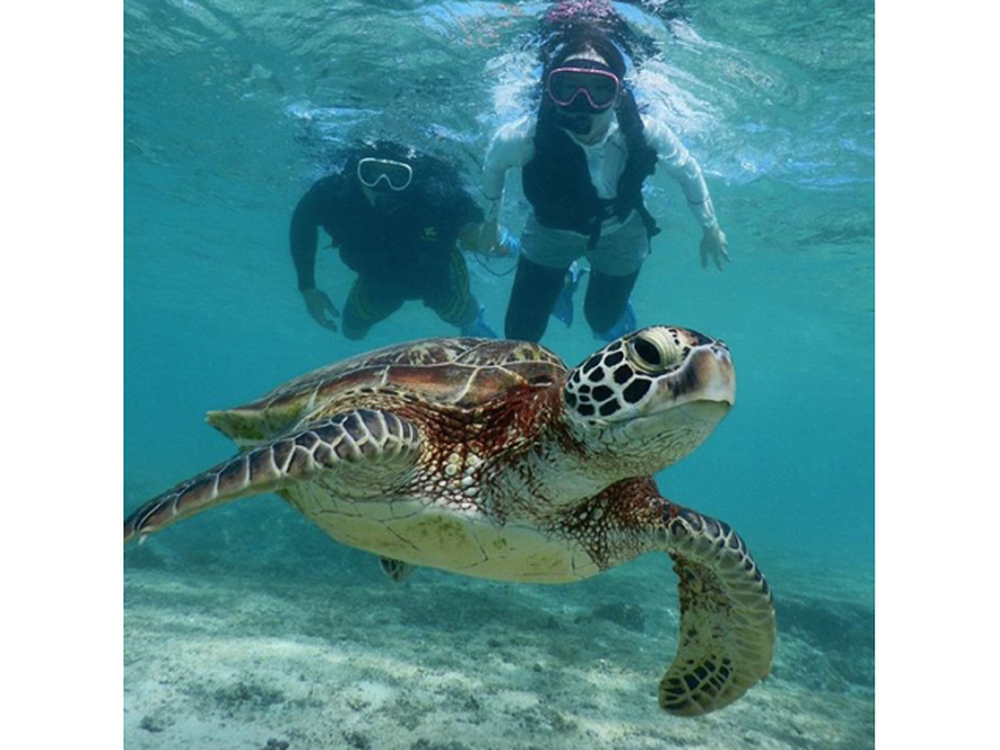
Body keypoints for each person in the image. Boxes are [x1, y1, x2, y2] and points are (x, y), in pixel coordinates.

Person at [474, 1, 730, 343]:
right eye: (567, 87)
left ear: (618, 93)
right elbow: (493, 168)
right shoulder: (523, 136)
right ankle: (566, 279)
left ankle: (576, 282)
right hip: (550, 231)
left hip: (621, 231)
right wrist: (490, 224)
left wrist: (711, 227)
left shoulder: (644, 132)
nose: (583, 102)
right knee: (520, 333)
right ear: (550, 91)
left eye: (600, 89)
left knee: (601, 319)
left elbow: (688, 171)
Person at [290, 140, 497, 340]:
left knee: (463, 316)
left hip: (437, 278)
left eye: (397, 177)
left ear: (411, 176)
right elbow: (302, 222)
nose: (382, 185)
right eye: (371, 173)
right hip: (378, 282)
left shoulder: (437, 197)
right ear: (358, 173)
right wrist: (307, 288)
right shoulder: (336, 195)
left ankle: (475, 319)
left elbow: (481, 222)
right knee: (352, 333)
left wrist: (485, 237)